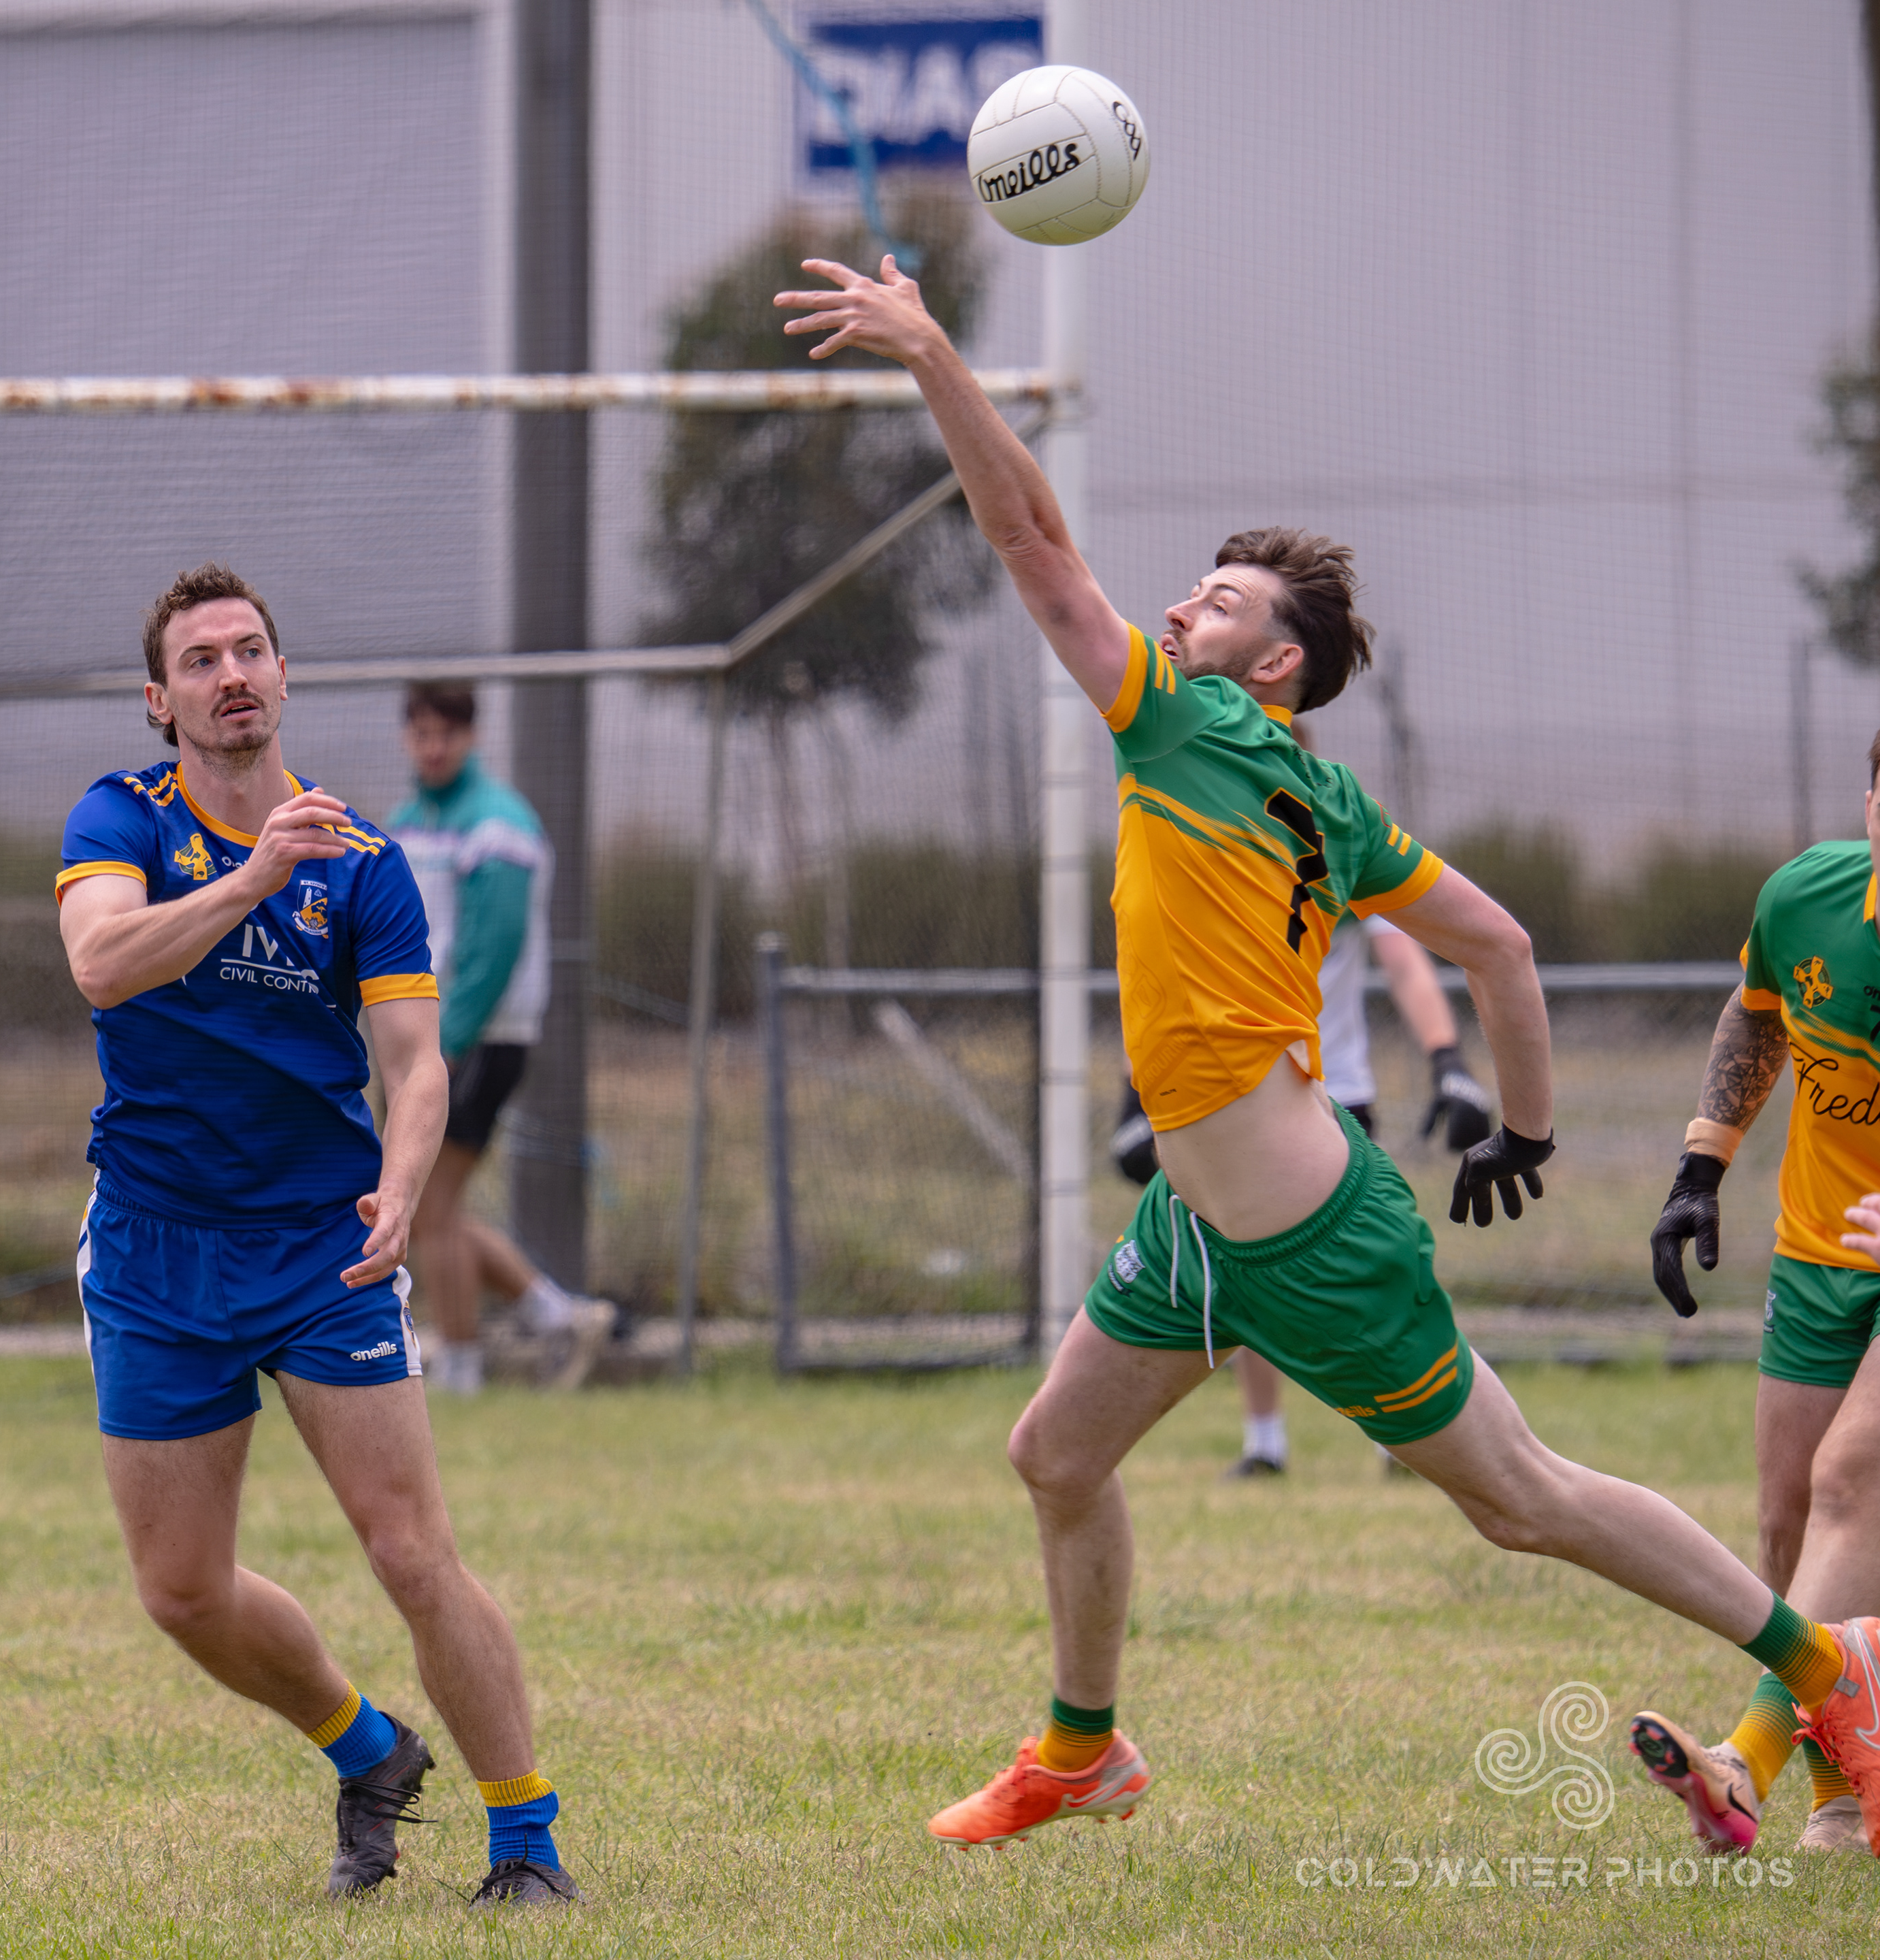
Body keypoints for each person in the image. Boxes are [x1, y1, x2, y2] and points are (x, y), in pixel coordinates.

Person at [771, 253, 1880, 1851]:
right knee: (1056, 1452)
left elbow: (1031, 543)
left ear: (1273, 665)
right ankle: (1082, 1748)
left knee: (1522, 1499)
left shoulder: (1186, 723)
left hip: (1305, 1236)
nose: (1177, 611)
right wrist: (1522, 1129)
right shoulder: (1328, 798)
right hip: (1201, 1221)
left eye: (1217, 603)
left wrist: (934, 354)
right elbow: (1499, 946)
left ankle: (1824, 1670)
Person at [53, 564, 579, 1908]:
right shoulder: (120, 817)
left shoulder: (365, 864)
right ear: (160, 700)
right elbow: (102, 965)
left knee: (410, 1551)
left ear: (283, 677)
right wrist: (250, 878)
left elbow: (415, 1063)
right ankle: (368, 1748)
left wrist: (403, 1184)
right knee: (181, 1591)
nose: (231, 674)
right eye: (201, 660)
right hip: (156, 1247)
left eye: (251, 651)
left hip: (318, 1246)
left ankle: (527, 1845)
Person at [1112, 727, 1494, 1481]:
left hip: (1329, 1098)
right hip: (1235, 1101)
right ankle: (1267, 1441)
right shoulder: (1199, 842)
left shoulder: (1329, 832)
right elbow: (1165, 978)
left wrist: (1448, 1060)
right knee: (1244, 1275)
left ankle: (1409, 1438)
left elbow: (1410, 961)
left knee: (1358, 1280)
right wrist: (1133, 1099)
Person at [1632, 739, 1880, 1857]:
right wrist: (1701, 1167)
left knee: (1849, 1483)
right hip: (1820, 1255)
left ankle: (1743, 1765)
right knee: (1786, 1516)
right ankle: (1845, 1790)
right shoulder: (1805, 896)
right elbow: (1758, 1011)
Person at [384, 683, 615, 1394]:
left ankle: (460, 1371)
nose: (433, 747)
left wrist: (447, 1043)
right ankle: (560, 1317)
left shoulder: (499, 824)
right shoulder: (406, 821)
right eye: (421, 733)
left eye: (447, 733)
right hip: (423, 1039)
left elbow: (495, 948)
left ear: (472, 736)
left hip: (479, 1039)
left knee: (428, 1206)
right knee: (430, 1205)